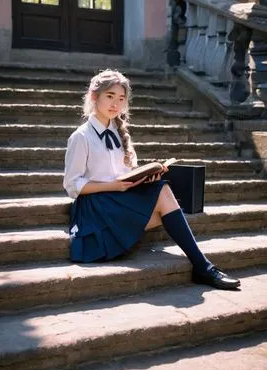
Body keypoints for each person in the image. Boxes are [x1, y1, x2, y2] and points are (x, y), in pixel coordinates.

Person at [63, 69, 240, 290]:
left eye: (121, 99)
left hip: (119, 198)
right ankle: (203, 267)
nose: (115, 104)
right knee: (165, 197)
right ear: (94, 96)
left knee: (163, 191)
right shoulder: (81, 137)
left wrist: (146, 176)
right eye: (110, 96)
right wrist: (114, 186)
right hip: (96, 206)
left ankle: (202, 266)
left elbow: (127, 173)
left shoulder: (120, 134)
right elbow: (72, 185)